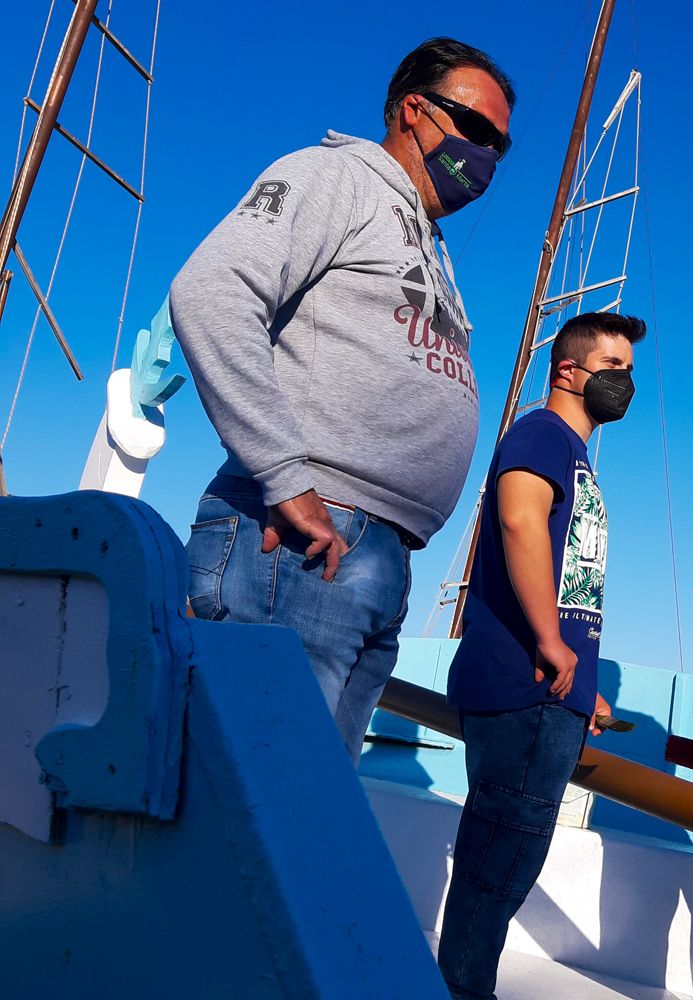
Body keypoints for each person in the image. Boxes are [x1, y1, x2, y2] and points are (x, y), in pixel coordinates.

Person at [171, 38, 514, 760]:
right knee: (256, 804)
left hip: (377, 553)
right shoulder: (334, 176)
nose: (486, 155)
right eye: (475, 129)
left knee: (309, 813)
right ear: (413, 111)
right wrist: (285, 476)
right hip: (300, 541)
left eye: (499, 146)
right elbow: (212, 292)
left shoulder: (431, 244)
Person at [439, 311, 645, 1000]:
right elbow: (519, 516)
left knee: (501, 871)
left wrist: (585, 682)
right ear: (568, 372)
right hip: (523, 690)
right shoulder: (541, 434)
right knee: (495, 873)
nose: (625, 384)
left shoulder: (574, 454)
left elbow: (569, 579)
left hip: (554, 695)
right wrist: (550, 643)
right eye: (614, 369)